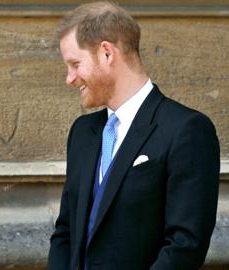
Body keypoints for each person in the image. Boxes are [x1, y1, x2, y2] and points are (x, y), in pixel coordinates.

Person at [47, 2, 220, 270]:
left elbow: (185, 246)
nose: (69, 79)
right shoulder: (83, 133)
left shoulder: (187, 130)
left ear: (107, 53)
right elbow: (66, 231)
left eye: (75, 64)